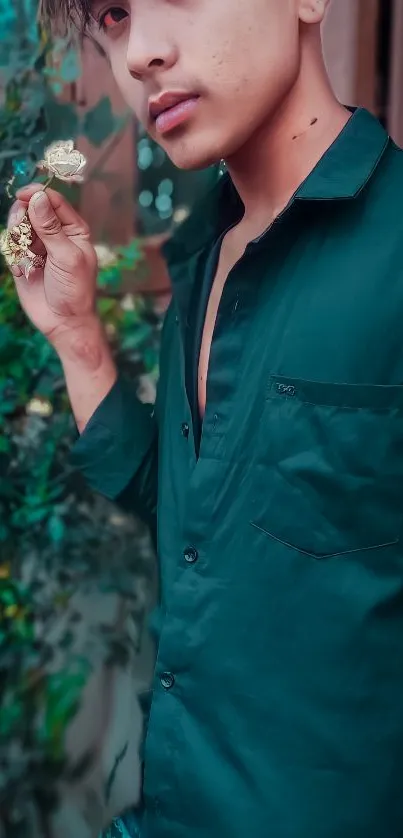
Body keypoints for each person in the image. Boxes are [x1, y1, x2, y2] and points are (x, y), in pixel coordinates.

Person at [7, 0, 403, 835]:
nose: (141, 52)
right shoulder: (200, 255)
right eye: (114, 17)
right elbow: (199, 528)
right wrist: (77, 336)